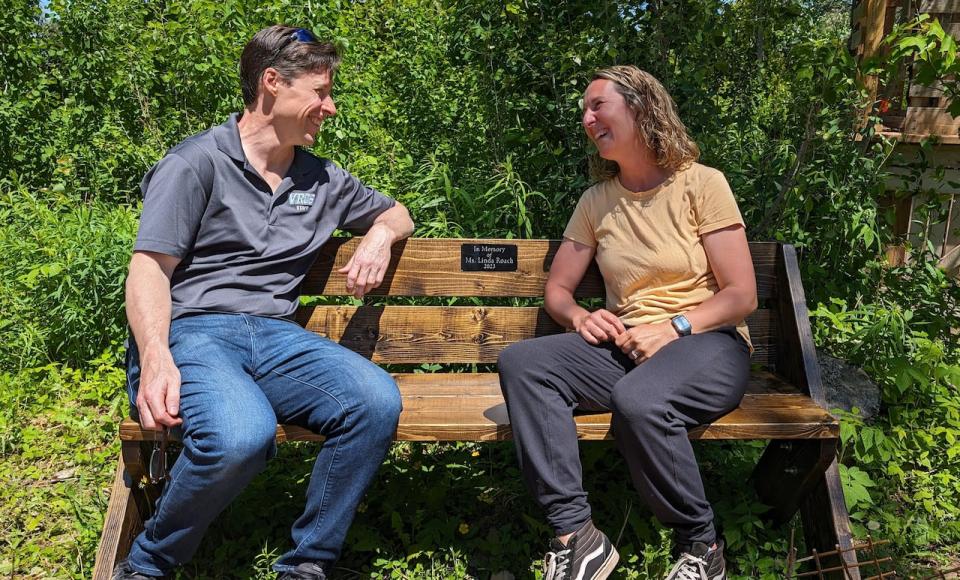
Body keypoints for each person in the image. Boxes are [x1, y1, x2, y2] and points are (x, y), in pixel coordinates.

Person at [115, 25, 414, 580]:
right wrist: (155, 355)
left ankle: (307, 564)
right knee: (239, 436)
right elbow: (149, 269)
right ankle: (148, 562)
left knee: (374, 401)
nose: (331, 107)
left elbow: (397, 213)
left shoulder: (320, 177)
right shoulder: (195, 163)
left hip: (276, 335)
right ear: (272, 84)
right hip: (194, 332)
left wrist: (378, 235)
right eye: (320, 93)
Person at [498, 65, 757, 580]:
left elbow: (741, 295)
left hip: (707, 342)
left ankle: (702, 549)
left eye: (598, 106)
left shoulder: (702, 185)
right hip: (629, 347)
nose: (587, 119)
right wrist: (577, 317)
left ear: (641, 108)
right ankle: (578, 537)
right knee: (521, 362)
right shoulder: (596, 202)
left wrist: (675, 327)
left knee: (639, 401)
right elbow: (558, 289)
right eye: (584, 112)